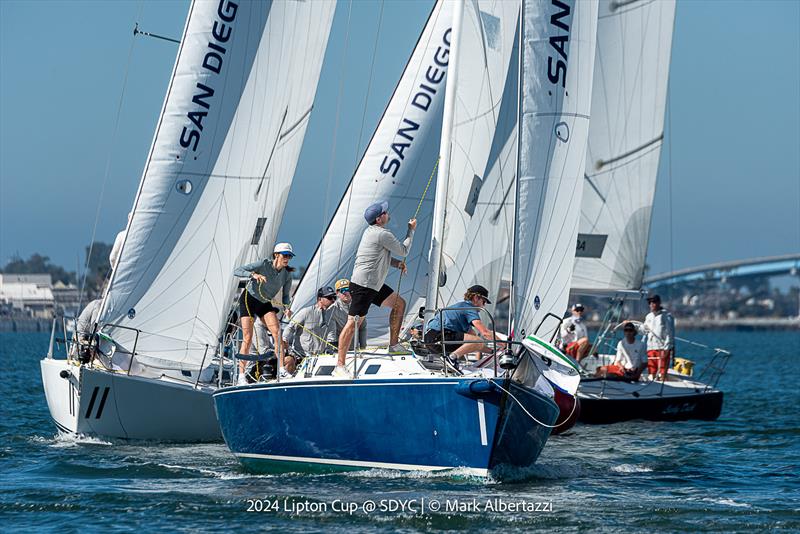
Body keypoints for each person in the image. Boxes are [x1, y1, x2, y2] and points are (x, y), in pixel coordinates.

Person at [335, 201, 416, 377]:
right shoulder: (382, 234)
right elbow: (403, 250)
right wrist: (411, 229)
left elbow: (379, 256)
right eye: (385, 212)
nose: (388, 213)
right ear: (379, 219)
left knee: (399, 304)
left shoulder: (371, 232)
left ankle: (394, 345)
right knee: (353, 323)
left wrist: (396, 264)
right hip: (364, 286)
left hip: (373, 284)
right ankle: (339, 366)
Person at [233, 242, 295, 384]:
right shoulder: (264, 264)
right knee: (248, 337)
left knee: (277, 332)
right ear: (276, 255)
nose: (287, 258)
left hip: (264, 302)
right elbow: (237, 270)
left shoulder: (287, 275)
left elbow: (286, 296)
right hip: (249, 298)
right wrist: (254, 275)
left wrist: (287, 307)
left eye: (289, 256)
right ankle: (241, 376)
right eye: (285, 255)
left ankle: (281, 370)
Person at [423, 285, 504, 360]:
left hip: (429, 340)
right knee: (477, 341)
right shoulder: (469, 308)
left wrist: (493, 352)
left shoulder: (460, 308)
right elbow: (485, 333)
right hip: (440, 337)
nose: (484, 305)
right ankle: (451, 359)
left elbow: (476, 343)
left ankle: (452, 359)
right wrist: (505, 345)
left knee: (475, 341)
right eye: (483, 302)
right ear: (476, 298)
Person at [283, 286, 337, 358]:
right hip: (301, 356)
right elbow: (291, 327)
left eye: (334, 298)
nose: (333, 300)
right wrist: (284, 340)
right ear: (319, 299)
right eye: (329, 298)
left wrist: (329, 349)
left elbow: (331, 335)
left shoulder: (331, 316)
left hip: (319, 357)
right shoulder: (306, 312)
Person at [642, 294, 675, 380]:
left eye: (654, 302)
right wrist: (631, 325)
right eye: (650, 302)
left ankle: (665, 388)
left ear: (659, 302)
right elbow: (644, 330)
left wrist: (667, 349)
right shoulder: (648, 316)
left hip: (662, 348)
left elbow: (670, 334)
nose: (652, 304)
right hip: (650, 348)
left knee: (662, 373)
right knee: (651, 372)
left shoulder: (666, 316)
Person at [327, 279, 367, 349]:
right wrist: (332, 349)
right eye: (343, 290)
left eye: (349, 289)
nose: (347, 293)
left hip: (355, 350)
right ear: (337, 293)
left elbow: (362, 328)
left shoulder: (359, 306)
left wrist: (363, 347)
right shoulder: (332, 310)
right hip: (340, 349)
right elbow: (331, 333)